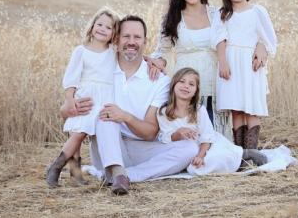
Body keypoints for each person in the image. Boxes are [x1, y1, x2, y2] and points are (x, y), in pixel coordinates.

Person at [61, 15, 198, 195]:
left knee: (190, 148)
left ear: (145, 42)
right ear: (116, 39)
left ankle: (124, 176)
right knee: (106, 116)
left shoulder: (159, 80)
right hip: (107, 148)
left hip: (142, 149)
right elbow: (71, 114)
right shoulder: (100, 70)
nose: (131, 42)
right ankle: (115, 170)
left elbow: (150, 133)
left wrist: (125, 117)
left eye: (137, 37)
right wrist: (67, 109)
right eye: (126, 36)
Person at [149, 0, 269, 142]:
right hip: (187, 88)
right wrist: (157, 61)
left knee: (215, 144)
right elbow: (163, 50)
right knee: (192, 143)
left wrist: (261, 45)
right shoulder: (173, 18)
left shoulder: (218, 14)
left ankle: (246, 152)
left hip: (216, 85)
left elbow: (243, 35)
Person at [46, 8, 120, 187]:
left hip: (104, 98)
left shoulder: (113, 52)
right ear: (92, 25)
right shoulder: (81, 51)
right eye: (99, 24)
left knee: (80, 135)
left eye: (108, 27)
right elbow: (71, 79)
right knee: (78, 133)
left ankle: (74, 175)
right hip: (85, 97)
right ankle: (57, 168)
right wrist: (69, 100)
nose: (102, 28)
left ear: (114, 33)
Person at [157, 67, 267, 176]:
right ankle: (235, 161)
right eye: (182, 82)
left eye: (191, 84)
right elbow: (164, 138)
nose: (186, 86)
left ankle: (244, 155)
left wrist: (200, 156)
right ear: (173, 85)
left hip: (205, 147)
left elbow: (207, 136)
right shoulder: (163, 112)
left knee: (205, 162)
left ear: (196, 91)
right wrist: (178, 134)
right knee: (193, 168)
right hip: (181, 151)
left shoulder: (199, 110)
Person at [216, 0, 277, 150]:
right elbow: (218, 38)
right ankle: (240, 153)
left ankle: (252, 152)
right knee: (236, 109)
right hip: (231, 63)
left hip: (250, 65)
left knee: (251, 108)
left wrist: (261, 46)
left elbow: (270, 39)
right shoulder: (223, 14)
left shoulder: (257, 11)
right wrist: (223, 61)